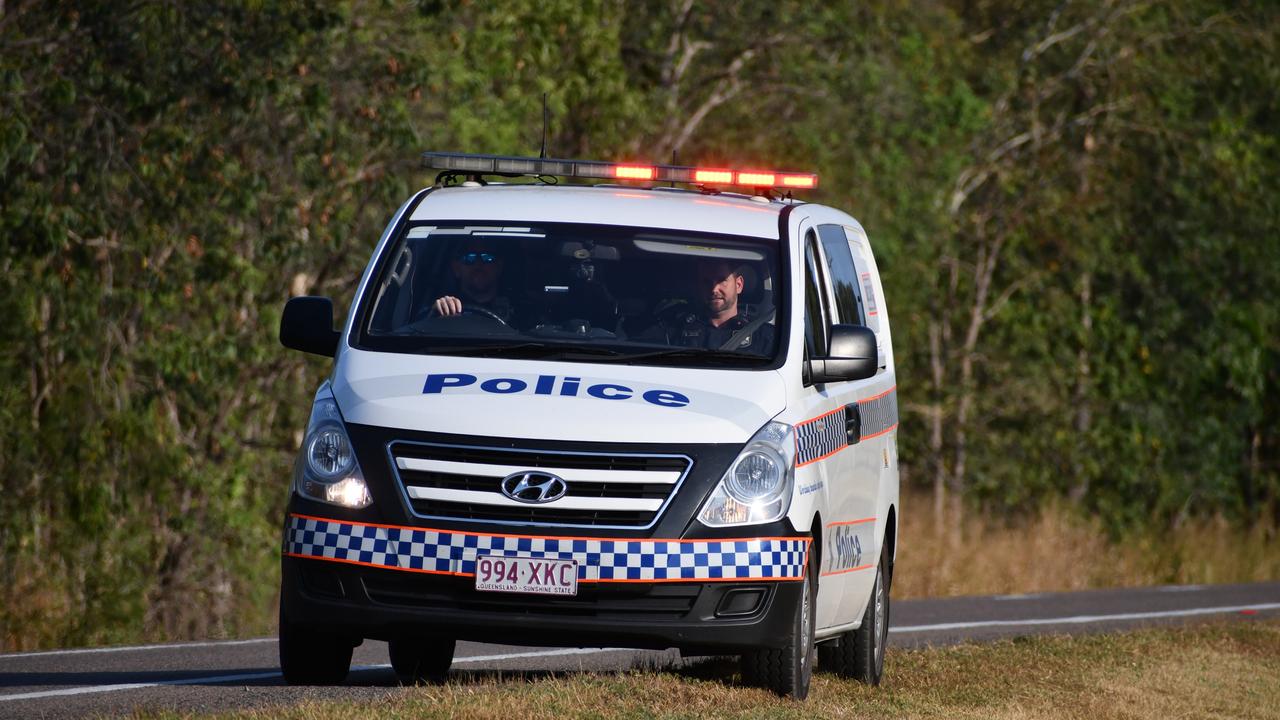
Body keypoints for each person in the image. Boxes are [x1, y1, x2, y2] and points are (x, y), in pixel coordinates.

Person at [672, 259, 774, 354]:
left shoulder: (763, 337)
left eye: (721, 280)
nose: (714, 289)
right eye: (706, 282)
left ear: (738, 285)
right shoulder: (676, 329)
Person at [430, 240, 515, 323]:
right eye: (469, 258)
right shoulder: (447, 308)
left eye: (487, 257)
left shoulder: (516, 310)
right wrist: (437, 312)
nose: (478, 264)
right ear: (456, 268)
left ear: (499, 267)